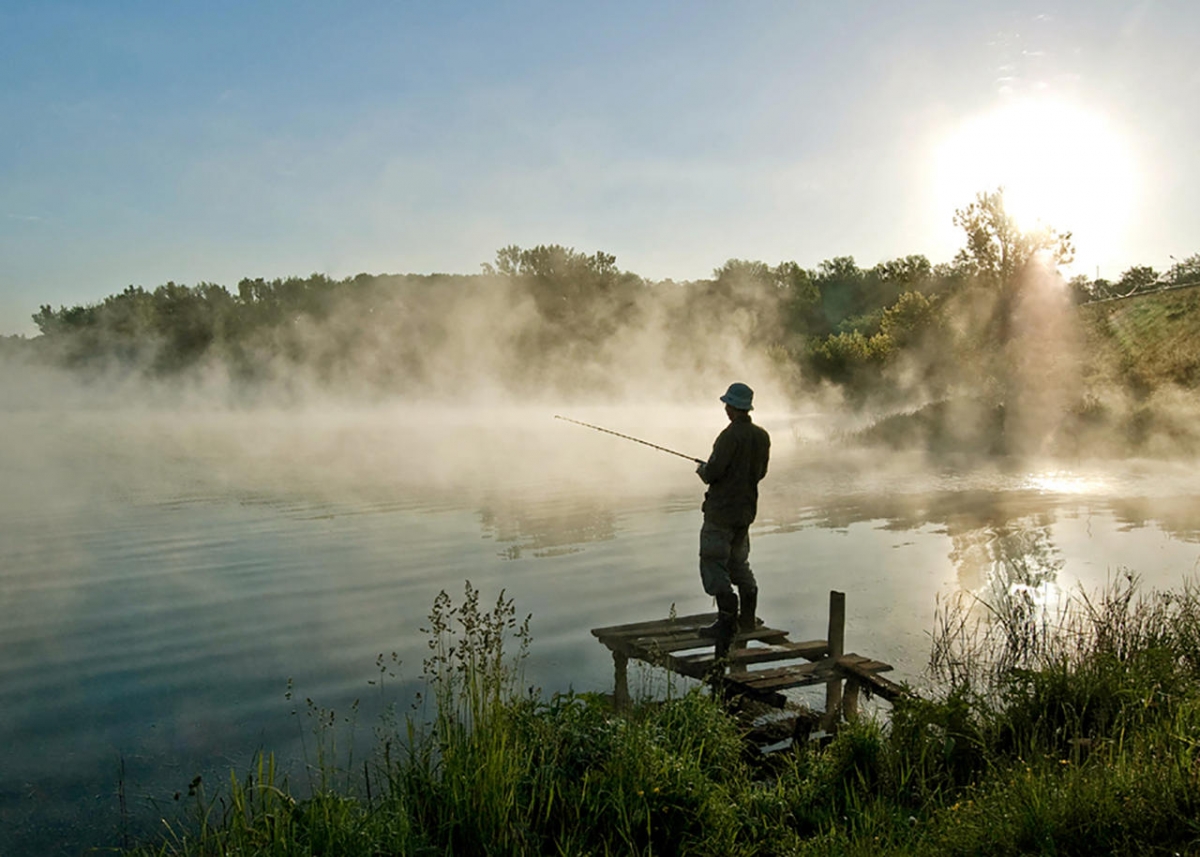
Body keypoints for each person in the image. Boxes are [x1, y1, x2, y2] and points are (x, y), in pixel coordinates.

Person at [696, 382, 771, 660]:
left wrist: (703, 469)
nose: (725, 408)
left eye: (727, 404)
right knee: (739, 562)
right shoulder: (762, 436)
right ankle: (748, 619)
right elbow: (761, 472)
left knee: (713, 560)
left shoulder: (728, 437)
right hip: (746, 512)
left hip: (721, 513)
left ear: (732, 407)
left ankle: (726, 622)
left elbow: (713, 472)